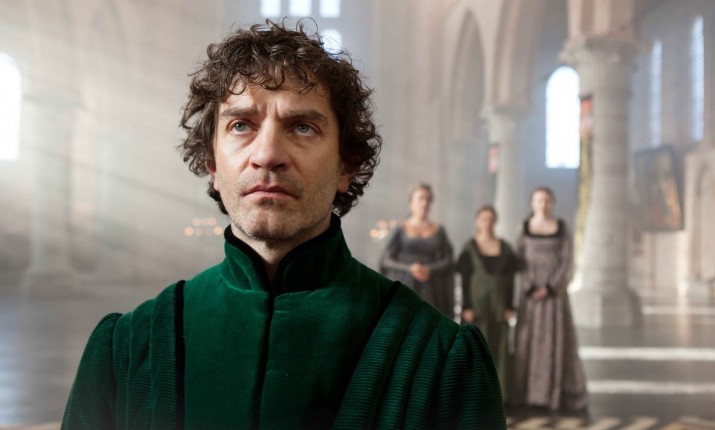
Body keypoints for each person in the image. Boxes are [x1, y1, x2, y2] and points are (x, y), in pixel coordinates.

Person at [61, 20, 505, 429]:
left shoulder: (441, 360)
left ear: (346, 165)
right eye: (241, 125)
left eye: (303, 127)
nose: (268, 154)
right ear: (212, 162)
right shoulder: (125, 350)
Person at [511, 186, 589, 411]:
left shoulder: (561, 228)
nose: (542, 204)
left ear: (552, 203)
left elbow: (567, 260)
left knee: (556, 340)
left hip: (555, 297)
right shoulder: (524, 228)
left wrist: (551, 287)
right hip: (530, 296)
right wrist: (531, 286)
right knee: (528, 340)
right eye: (538, 200)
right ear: (532, 203)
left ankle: (553, 394)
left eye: (546, 200)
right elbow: (519, 260)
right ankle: (528, 394)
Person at [456, 205, 518, 402]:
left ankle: (499, 394)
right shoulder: (469, 247)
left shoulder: (505, 248)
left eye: (491, 219)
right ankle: (472, 391)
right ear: (477, 221)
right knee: (475, 345)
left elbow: (510, 279)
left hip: (498, 305)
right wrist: (466, 306)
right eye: (484, 219)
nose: (487, 223)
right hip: (477, 306)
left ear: (495, 221)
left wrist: (509, 306)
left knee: (499, 347)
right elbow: (464, 279)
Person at [379, 183, 455, 318]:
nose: (424, 203)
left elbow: (448, 260)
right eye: (420, 198)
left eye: (428, 199)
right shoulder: (401, 229)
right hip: (404, 284)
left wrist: (429, 269)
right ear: (411, 202)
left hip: (432, 288)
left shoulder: (439, 230)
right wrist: (410, 268)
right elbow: (386, 260)